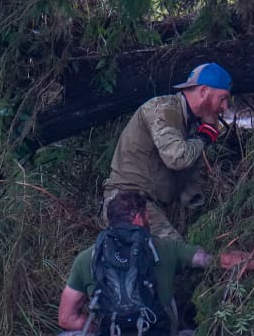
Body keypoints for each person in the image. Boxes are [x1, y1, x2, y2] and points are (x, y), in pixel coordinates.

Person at [52, 191, 254, 336]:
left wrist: (101, 331)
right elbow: (213, 261)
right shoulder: (166, 248)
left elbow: (66, 318)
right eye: (146, 216)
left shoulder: (87, 258)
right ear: (138, 218)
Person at [100, 62, 233, 240]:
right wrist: (203, 139)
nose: (224, 107)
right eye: (222, 98)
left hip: (152, 205)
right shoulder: (162, 110)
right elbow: (177, 158)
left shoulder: (191, 122)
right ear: (203, 92)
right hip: (127, 202)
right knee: (177, 255)